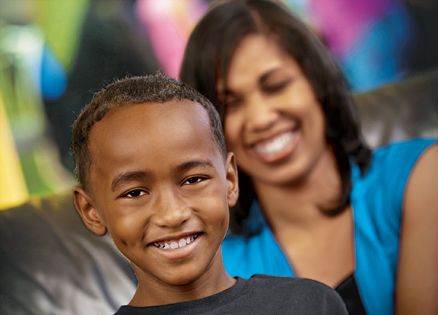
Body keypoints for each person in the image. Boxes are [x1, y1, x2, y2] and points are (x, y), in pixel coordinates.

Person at [179, 1, 438, 314]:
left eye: (276, 86)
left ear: (317, 81)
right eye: (230, 104)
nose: (261, 118)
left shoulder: (421, 177)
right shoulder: (217, 270)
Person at [70, 73, 348, 314]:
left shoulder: (312, 305)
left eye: (193, 180)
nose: (172, 214)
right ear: (90, 211)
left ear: (229, 180)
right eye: (135, 193)